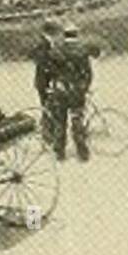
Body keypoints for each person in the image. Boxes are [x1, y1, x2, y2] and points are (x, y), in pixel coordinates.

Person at [49, 24, 94, 161]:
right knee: (77, 119)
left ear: (64, 35)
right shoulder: (82, 51)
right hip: (76, 91)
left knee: (60, 121)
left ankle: (60, 152)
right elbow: (88, 73)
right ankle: (82, 152)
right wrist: (84, 87)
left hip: (61, 90)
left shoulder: (56, 51)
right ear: (76, 34)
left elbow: (51, 72)